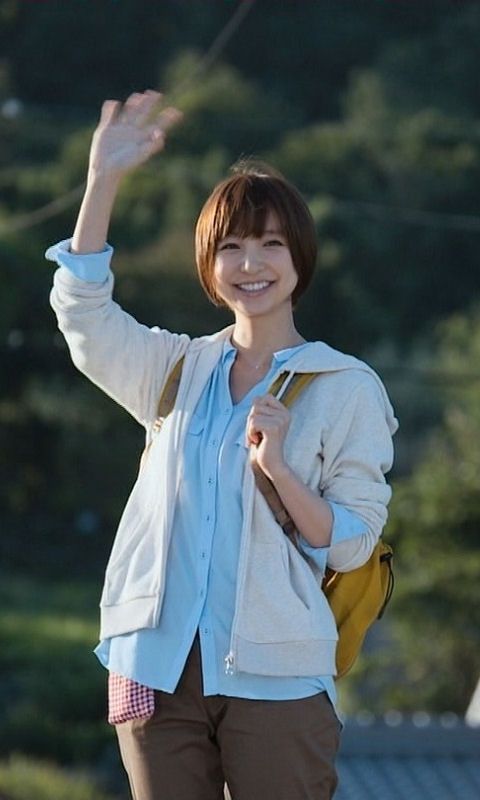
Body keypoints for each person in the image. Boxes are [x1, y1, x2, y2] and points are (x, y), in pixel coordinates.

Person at [46, 89, 398, 800]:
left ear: (299, 257)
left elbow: (352, 544)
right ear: (209, 265)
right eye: (231, 246)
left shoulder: (347, 386)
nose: (250, 263)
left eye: (270, 243)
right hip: (155, 666)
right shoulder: (175, 368)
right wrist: (102, 180)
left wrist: (279, 470)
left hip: (278, 676)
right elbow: (83, 315)